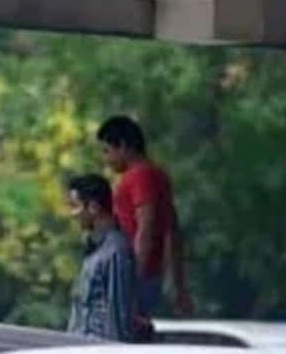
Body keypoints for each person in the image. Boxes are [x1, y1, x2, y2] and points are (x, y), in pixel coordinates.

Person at [97, 115, 193, 318]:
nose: (105, 159)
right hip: (147, 275)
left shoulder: (140, 176)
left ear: (123, 146)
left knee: (121, 332)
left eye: (107, 151)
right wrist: (179, 286)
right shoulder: (157, 175)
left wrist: (133, 278)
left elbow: (146, 227)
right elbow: (172, 232)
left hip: (136, 274)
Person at [66, 174, 139, 342]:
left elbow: (118, 316)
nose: (72, 214)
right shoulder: (93, 250)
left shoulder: (115, 251)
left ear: (93, 207)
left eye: (75, 206)